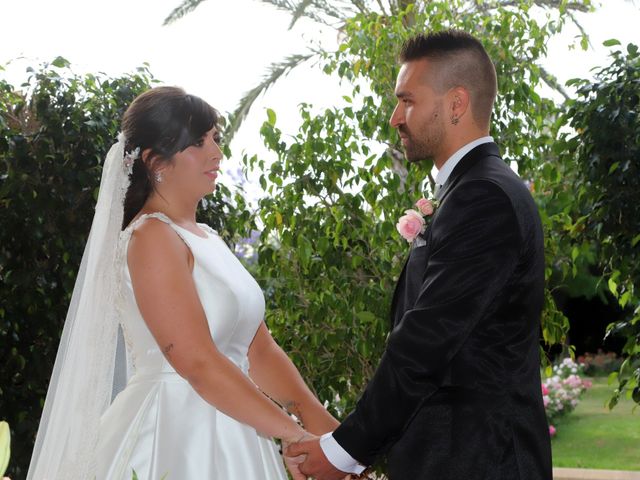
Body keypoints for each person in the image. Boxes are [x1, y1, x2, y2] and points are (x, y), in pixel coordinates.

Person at [27, 86, 338, 479]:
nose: (216, 153)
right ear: (155, 161)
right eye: (197, 143)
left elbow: (259, 350)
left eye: (215, 139)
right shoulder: (151, 237)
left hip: (238, 426)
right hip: (174, 433)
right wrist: (293, 435)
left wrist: (331, 436)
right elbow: (196, 362)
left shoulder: (208, 237)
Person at [287, 30, 553, 479]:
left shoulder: (483, 196)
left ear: (455, 104)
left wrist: (342, 451)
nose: (395, 117)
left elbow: (426, 341)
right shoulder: (470, 189)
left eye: (407, 100)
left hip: (477, 461)